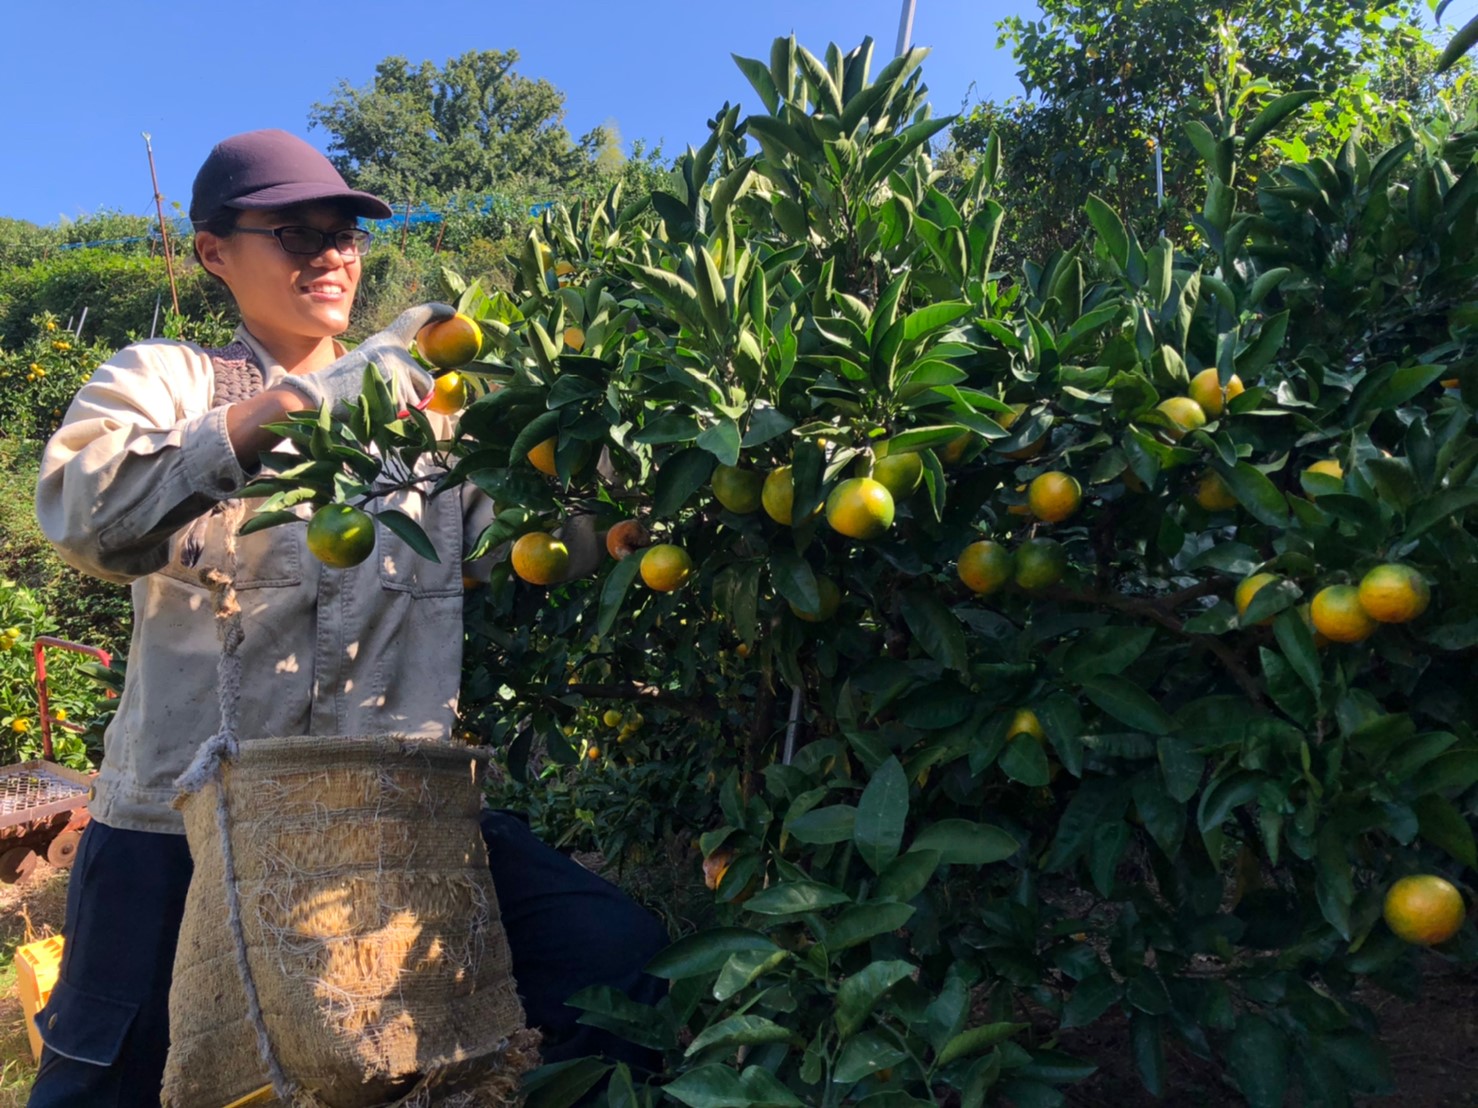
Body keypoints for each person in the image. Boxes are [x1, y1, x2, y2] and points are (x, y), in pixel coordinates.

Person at [28, 128, 666, 1106]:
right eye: (293, 231)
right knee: (110, 1081)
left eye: (344, 233)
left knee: (605, 963)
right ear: (214, 251)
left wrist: (635, 444)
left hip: (385, 822)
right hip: (182, 831)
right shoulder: (168, 380)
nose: (329, 253)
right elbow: (83, 513)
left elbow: (531, 542)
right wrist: (292, 405)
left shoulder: (430, 422)